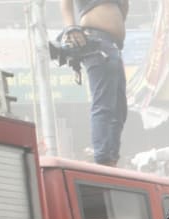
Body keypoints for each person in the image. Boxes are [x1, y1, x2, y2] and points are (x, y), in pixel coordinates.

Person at [60, 0, 128, 166]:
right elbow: (65, 3)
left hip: (113, 46)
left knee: (119, 109)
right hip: (96, 41)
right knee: (103, 105)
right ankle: (103, 159)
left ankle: (112, 158)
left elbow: (124, 6)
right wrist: (70, 27)